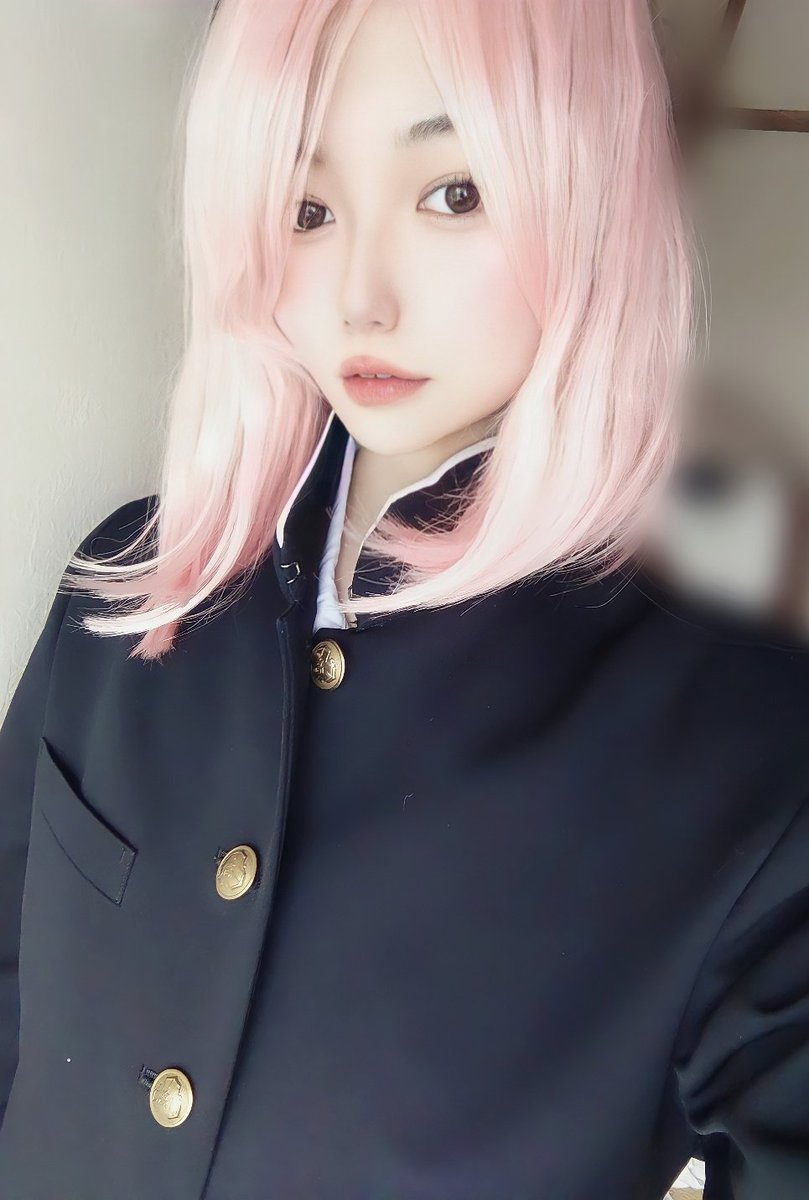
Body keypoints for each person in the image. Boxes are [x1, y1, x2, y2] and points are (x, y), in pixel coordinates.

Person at [1, 1, 808, 1197]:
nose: (359, 300)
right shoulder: (126, 587)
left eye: (452, 194)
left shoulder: (744, 744)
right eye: (306, 209)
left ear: (589, 194)